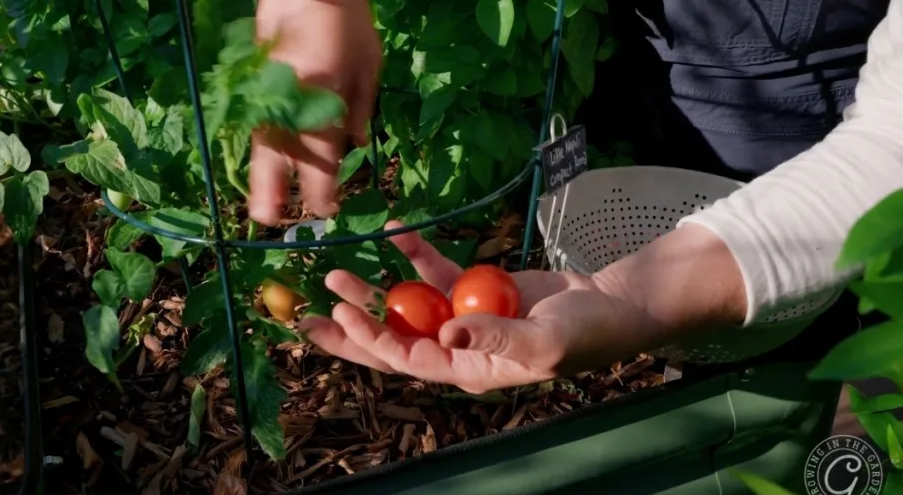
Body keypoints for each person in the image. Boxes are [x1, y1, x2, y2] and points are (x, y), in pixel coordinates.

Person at [252, 0, 903, 394]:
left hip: (805, 45)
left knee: (834, 318)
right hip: (685, 32)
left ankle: (863, 390)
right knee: (683, 131)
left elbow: (890, 148)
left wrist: (635, 299)